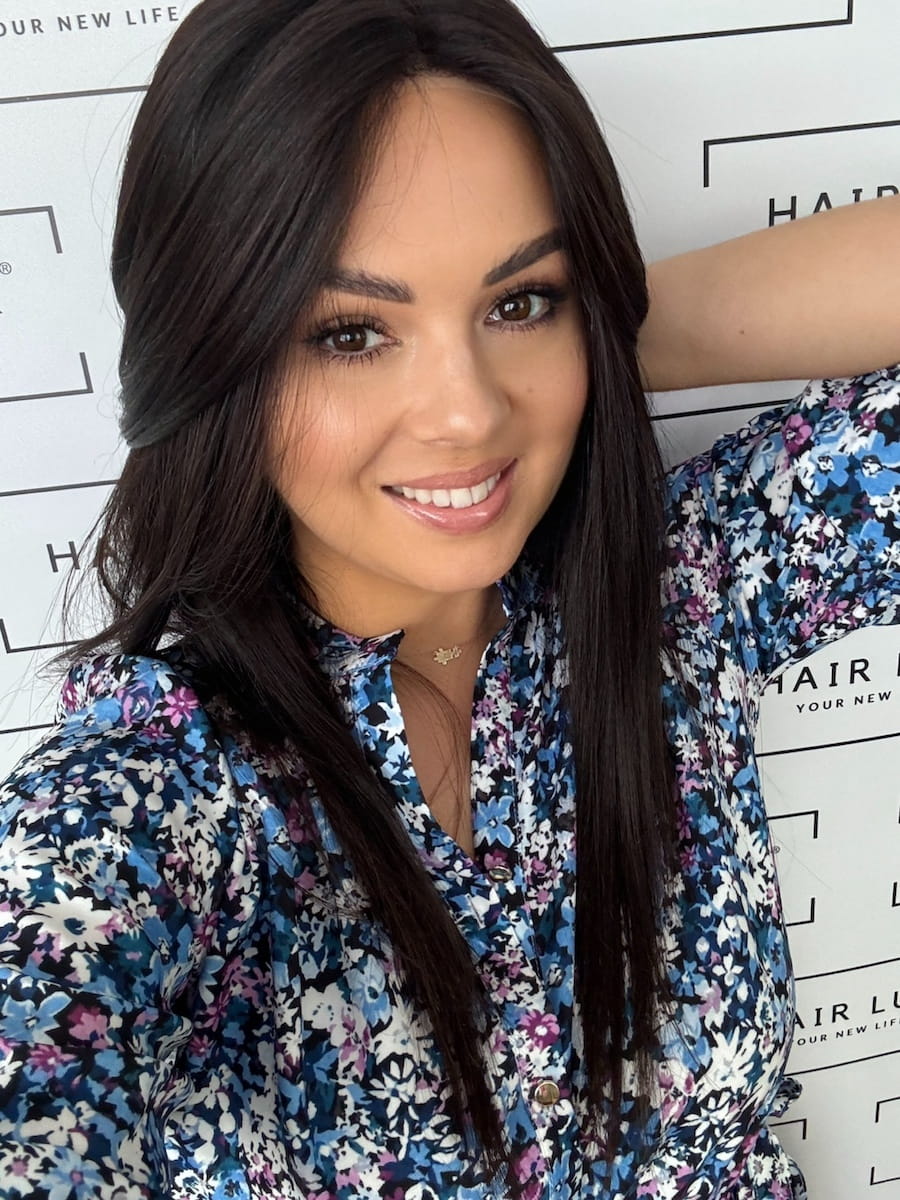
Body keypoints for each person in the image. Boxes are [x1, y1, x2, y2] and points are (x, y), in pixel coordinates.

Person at [1, 0, 899, 1196]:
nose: (469, 411)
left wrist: (598, 332)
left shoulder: (681, 591)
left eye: (519, 300)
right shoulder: (163, 798)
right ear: (213, 350)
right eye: (348, 332)